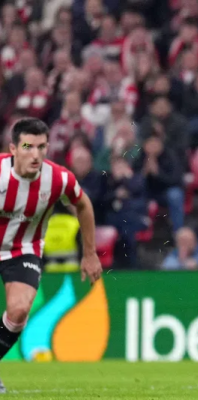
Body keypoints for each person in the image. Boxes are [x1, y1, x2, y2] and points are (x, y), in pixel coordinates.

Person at [0, 118, 102, 393]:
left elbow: (83, 205)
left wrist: (89, 253)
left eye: (41, 147)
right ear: (13, 149)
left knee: (19, 311)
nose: (36, 154)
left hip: (24, 249)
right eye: (28, 147)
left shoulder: (58, 178)